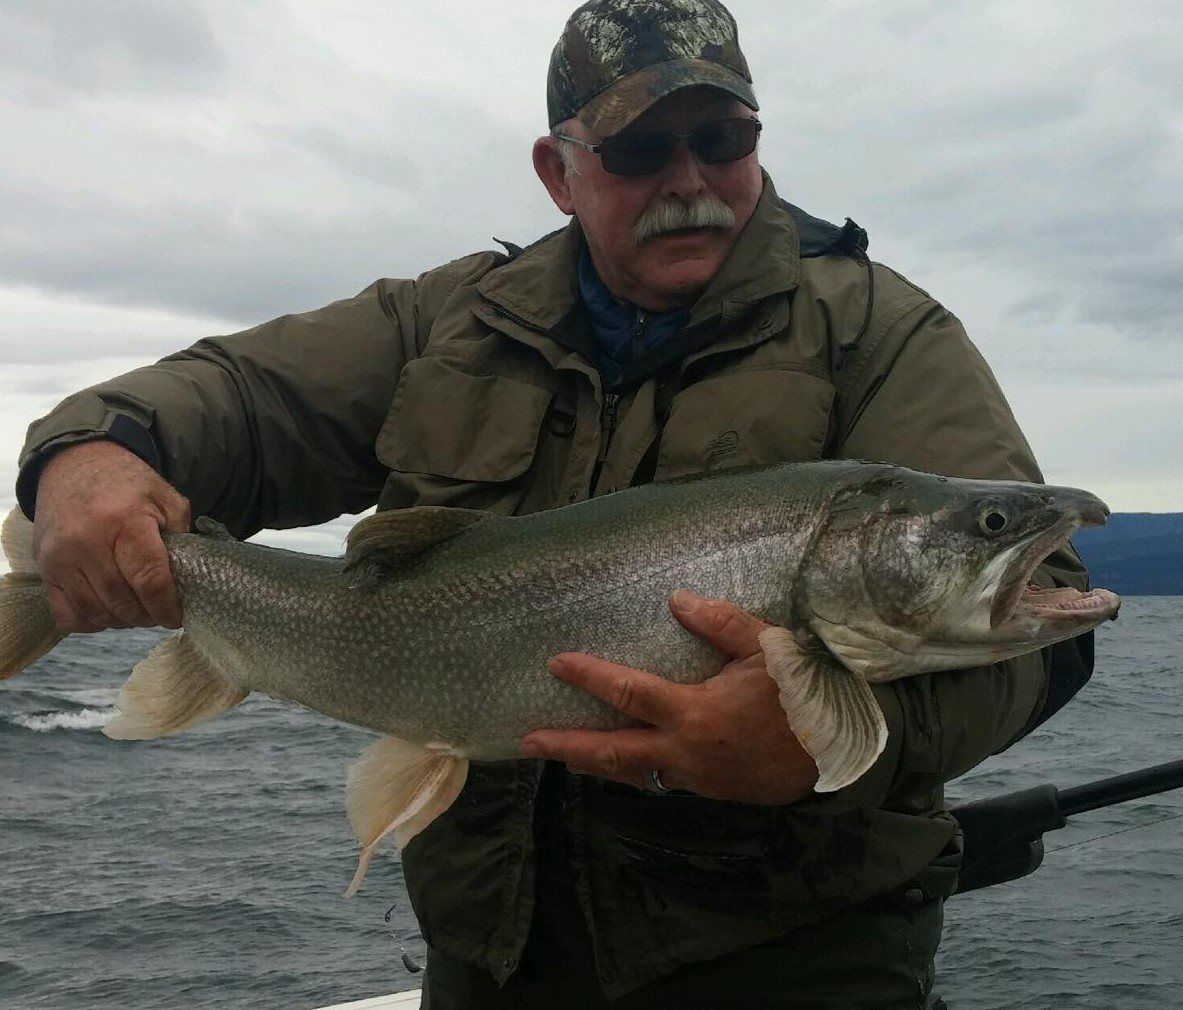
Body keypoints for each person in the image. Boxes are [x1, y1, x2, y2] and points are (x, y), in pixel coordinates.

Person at [17, 1, 1090, 1006]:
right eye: (637, 151)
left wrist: (839, 740)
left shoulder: (878, 332)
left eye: (721, 138)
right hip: (492, 960)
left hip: (792, 965)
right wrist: (93, 453)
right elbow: (239, 399)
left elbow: (1050, 643)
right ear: (557, 171)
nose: (691, 180)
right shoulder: (452, 321)